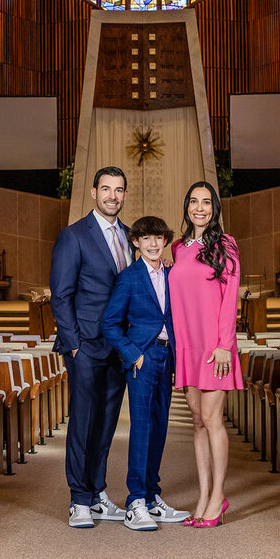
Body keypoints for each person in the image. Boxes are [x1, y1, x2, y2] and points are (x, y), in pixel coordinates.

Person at [49, 166, 132, 528]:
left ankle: (97, 493)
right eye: (106, 189)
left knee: (107, 423)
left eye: (119, 190)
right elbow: (61, 294)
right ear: (95, 193)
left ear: (124, 195)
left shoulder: (132, 237)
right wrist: (74, 345)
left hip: (119, 348)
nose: (113, 195)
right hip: (85, 345)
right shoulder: (73, 236)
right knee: (83, 421)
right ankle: (78, 499)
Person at [101, 215, 193, 530]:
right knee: (141, 429)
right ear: (136, 242)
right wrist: (133, 354)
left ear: (165, 241)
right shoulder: (128, 278)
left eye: (159, 238)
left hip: (167, 357)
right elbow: (110, 323)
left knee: (159, 426)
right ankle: (135, 501)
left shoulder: (172, 274)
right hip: (143, 357)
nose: (153, 244)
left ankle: (153, 498)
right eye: (146, 239)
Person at [168, 180, 243, 527]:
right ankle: (203, 495)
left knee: (213, 421)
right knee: (198, 422)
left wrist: (225, 345)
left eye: (206, 203)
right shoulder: (178, 247)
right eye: (194, 202)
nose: (200, 208)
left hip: (215, 348)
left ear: (214, 209)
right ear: (187, 207)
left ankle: (218, 498)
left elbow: (230, 298)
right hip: (188, 346)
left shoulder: (225, 245)